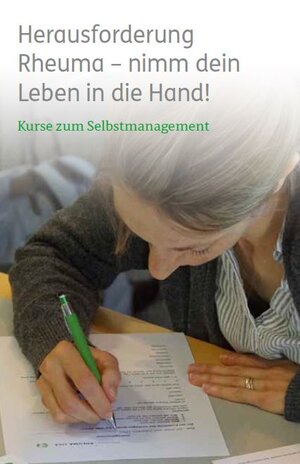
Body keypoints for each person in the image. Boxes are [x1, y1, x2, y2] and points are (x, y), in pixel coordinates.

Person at [9, 74, 300, 425]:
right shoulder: (150, 189)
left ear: (277, 180)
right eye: (141, 235)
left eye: (195, 248)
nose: (159, 270)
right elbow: (53, 255)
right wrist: (55, 343)